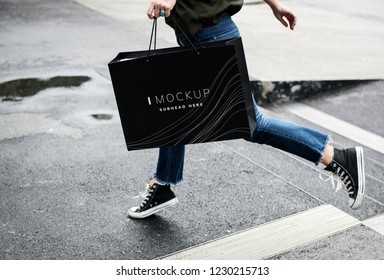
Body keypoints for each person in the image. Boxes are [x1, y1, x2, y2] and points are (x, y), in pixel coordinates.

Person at [128, 0, 366, 219]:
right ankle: (162, 185)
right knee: (173, 110)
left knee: (252, 125)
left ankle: (337, 158)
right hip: (199, 34)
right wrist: (275, 5)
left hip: (210, 37)